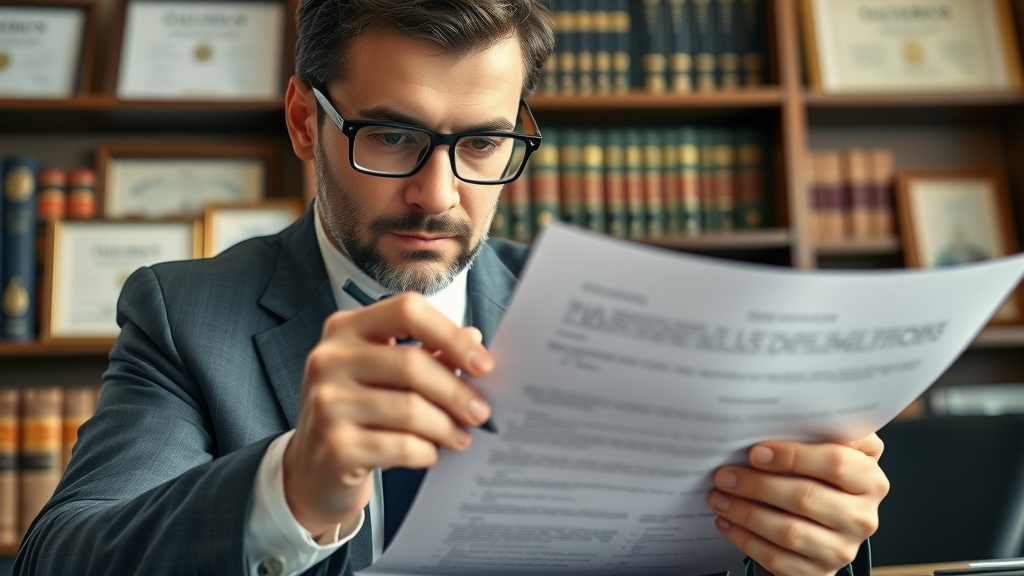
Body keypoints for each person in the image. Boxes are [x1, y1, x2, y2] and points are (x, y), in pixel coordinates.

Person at [15, 1, 889, 575]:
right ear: (302, 122)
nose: (438, 195)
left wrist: (803, 541)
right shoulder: (185, 315)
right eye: (391, 137)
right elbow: (61, 559)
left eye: (481, 145)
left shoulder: (621, 318)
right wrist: (291, 488)